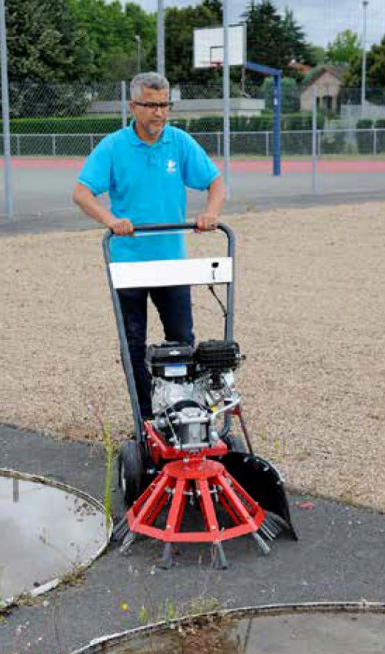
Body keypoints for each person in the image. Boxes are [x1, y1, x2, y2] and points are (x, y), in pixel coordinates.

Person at [73, 72, 225, 418]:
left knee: (183, 340)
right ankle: (145, 418)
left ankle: (184, 411)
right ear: (133, 106)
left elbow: (215, 182)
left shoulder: (180, 143)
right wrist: (111, 221)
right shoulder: (113, 147)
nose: (159, 113)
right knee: (133, 343)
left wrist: (210, 214)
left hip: (171, 261)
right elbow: (81, 193)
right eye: (151, 105)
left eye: (164, 105)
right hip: (130, 263)